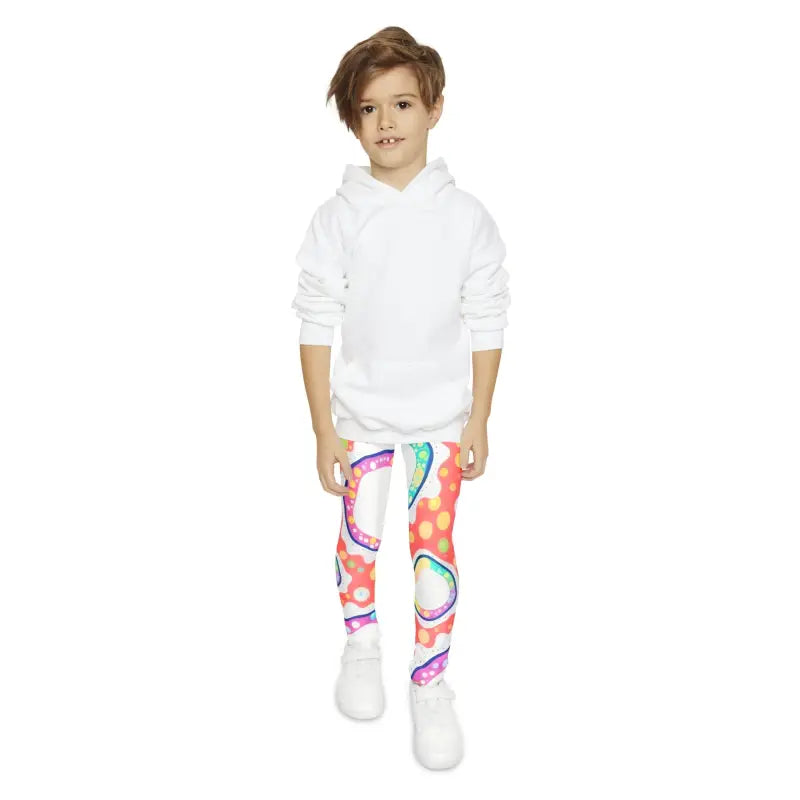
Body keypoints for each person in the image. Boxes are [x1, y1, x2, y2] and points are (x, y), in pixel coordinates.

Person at [291, 26, 510, 771]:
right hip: (361, 424)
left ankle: (430, 681)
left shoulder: (466, 217)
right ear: (353, 122)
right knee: (358, 543)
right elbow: (315, 319)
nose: (386, 121)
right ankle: (360, 643)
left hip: (441, 428)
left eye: (403, 103)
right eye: (368, 108)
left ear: (434, 109)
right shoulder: (337, 217)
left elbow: (488, 315)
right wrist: (323, 429)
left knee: (432, 556)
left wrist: (479, 417)